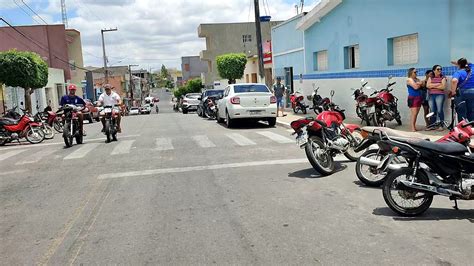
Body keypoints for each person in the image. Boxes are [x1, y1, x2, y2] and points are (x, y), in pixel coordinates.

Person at [427, 65, 447, 130]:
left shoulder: (443, 77)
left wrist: (432, 86)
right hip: (431, 96)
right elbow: (428, 86)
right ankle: (432, 125)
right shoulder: (430, 77)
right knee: (432, 111)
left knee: (439, 110)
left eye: (441, 69)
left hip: (440, 95)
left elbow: (443, 87)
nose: (440, 70)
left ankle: (441, 125)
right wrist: (438, 84)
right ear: (434, 70)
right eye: (438, 69)